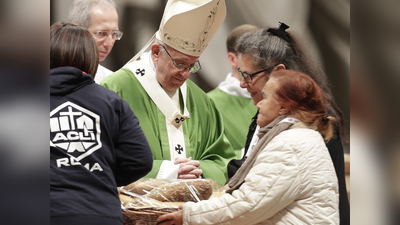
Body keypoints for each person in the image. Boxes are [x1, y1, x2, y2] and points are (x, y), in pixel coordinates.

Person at [157, 69, 339, 225]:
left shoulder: (290, 144)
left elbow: (248, 204)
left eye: (265, 97)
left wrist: (190, 215)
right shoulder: (300, 137)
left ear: (283, 107)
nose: (258, 103)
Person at [226, 22, 350, 224]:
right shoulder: (265, 115)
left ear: (278, 71)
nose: (242, 83)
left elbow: (274, 187)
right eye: (241, 73)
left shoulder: (316, 121)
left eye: (248, 75)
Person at [100, 0, 235, 185]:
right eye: (180, 63)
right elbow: (101, 156)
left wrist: (198, 170)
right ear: (156, 52)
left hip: (189, 210)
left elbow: (222, 160)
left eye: (192, 65)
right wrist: (165, 171)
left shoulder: (202, 101)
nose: (186, 74)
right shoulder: (114, 89)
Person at [50, 22, 153, 225]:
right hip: (99, 211)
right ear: (91, 58)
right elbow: (140, 160)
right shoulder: (111, 102)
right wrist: (98, 174)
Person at [207, 24, 259, 158]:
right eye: (254, 56)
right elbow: (211, 157)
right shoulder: (209, 104)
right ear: (232, 59)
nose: (261, 63)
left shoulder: (275, 97)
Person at [68, 0, 122, 83]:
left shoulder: (111, 82)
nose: (109, 44)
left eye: (114, 33)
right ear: (77, 30)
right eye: (101, 33)